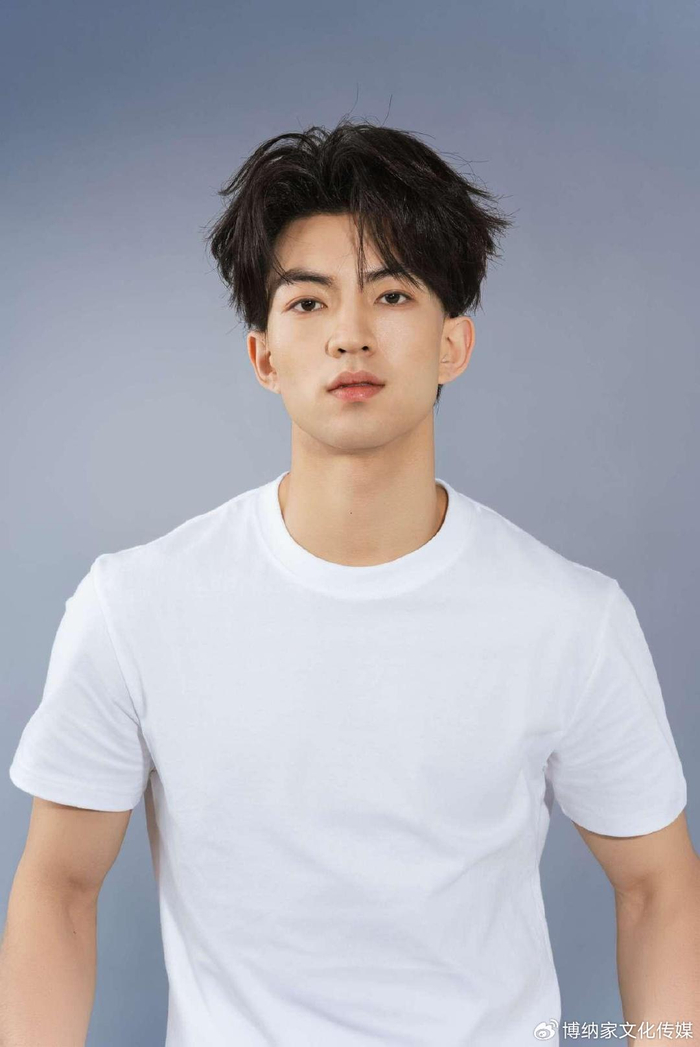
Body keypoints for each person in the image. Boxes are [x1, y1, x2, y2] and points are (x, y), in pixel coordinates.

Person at [2, 119, 697, 1047]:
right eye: (308, 302)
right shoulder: (135, 606)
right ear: (263, 356)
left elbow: (657, 886)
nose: (351, 336)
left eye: (392, 294)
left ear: (454, 343)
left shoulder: (570, 617)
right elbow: (60, 887)